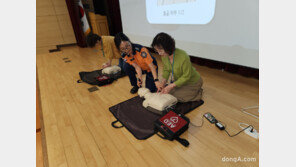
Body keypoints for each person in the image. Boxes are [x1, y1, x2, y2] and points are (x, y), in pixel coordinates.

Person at [151, 32, 203, 102]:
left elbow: (186, 76)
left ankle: (197, 92)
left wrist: (170, 86)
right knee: (166, 93)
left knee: (174, 97)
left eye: (160, 50)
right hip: (180, 81)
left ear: (167, 47)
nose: (159, 53)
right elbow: (166, 70)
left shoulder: (183, 56)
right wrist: (163, 83)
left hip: (192, 82)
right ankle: (189, 91)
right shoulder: (164, 56)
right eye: (157, 51)